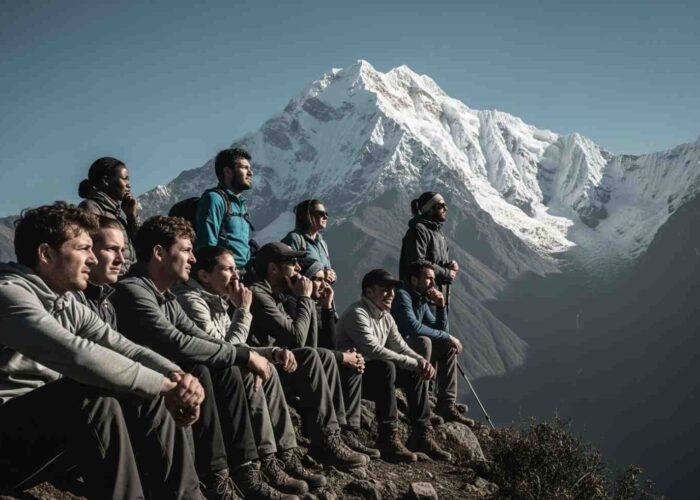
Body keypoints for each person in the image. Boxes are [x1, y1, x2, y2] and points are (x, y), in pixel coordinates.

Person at [0, 202, 203, 498]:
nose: (93, 259)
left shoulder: (65, 302)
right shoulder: (9, 295)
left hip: (37, 437)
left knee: (143, 389)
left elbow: (124, 348)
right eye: (83, 248)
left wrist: (178, 378)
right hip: (8, 441)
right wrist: (163, 386)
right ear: (46, 254)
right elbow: (78, 355)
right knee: (92, 394)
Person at [111, 216, 294, 500]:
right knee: (205, 367)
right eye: (185, 250)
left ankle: (242, 472)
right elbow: (178, 343)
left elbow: (201, 338)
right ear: (159, 253)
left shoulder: (167, 297)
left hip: (169, 377)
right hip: (143, 386)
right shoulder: (133, 290)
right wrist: (243, 354)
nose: (192, 258)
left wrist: (249, 355)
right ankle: (213, 479)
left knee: (226, 368)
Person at [175, 245, 327, 494]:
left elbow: (239, 346)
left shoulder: (219, 300)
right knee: (249, 373)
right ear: (204, 275)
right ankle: (252, 467)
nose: (236, 276)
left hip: (223, 366)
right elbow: (223, 349)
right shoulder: (192, 301)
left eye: (236, 269)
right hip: (211, 376)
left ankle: (282, 456)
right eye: (227, 269)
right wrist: (243, 310)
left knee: (267, 367)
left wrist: (272, 354)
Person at [248, 242, 369, 470]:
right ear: (273, 269)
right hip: (262, 369)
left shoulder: (277, 295)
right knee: (313, 356)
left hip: (277, 363)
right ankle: (326, 439)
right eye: (291, 262)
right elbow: (297, 340)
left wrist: (314, 302)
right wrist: (305, 299)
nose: (297, 268)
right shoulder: (259, 295)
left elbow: (309, 345)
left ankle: (334, 435)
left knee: (318, 356)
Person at [335, 269, 452, 463]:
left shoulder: (386, 317)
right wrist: (414, 362)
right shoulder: (357, 313)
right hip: (352, 378)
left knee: (412, 372)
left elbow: (400, 346)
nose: (391, 295)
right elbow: (373, 350)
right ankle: (387, 437)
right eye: (385, 290)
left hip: (374, 375)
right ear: (369, 292)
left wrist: (421, 362)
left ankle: (421, 434)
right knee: (385, 366)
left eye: (393, 290)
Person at [283, 258, 379, 459]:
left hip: (321, 360)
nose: (324, 284)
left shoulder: (317, 305)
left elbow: (331, 344)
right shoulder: (294, 304)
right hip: (299, 368)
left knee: (354, 366)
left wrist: (327, 308)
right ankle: (332, 435)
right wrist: (343, 357)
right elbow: (308, 346)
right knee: (344, 360)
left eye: (324, 279)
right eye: (316, 279)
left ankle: (347, 430)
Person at [391, 260, 470, 425]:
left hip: (409, 354)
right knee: (423, 341)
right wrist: (447, 337)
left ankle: (446, 404)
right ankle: (421, 403)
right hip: (395, 357)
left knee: (446, 345)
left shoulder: (421, 300)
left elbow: (442, 332)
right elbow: (411, 326)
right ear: (414, 280)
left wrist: (441, 307)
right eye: (429, 279)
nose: (434, 283)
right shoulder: (401, 295)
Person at [196, 148, 254, 270]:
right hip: (224, 274)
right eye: (244, 168)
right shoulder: (214, 199)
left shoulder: (241, 203)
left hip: (243, 273)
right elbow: (207, 246)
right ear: (228, 171)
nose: (250, 173)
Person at [78, 156, 139, 274]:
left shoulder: (119, 215)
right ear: (106, 180)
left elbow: (141, 247)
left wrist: (132, 217)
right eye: (125, 179)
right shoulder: (91, 209)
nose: (128, 185)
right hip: (111, 284)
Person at [399, 192, 459, 290]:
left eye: (445, 205)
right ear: (430, 209)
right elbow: (417, 262)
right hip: (420, 297)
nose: (446, 208)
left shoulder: (439, 233)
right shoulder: (418, 231)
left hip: (437, 298)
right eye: (441, 206)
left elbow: (435, 262)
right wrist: (447, 273)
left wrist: (449, 265)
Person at [282, 199, 337, 284]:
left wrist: (331, 276)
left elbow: (327, 270)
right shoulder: (294, 239)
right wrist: (320, 274)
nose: (326, 217)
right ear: (307, 215)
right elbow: (285, 271)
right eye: (321, 213)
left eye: (326, 214)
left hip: (319, 296)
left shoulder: (322, 244)